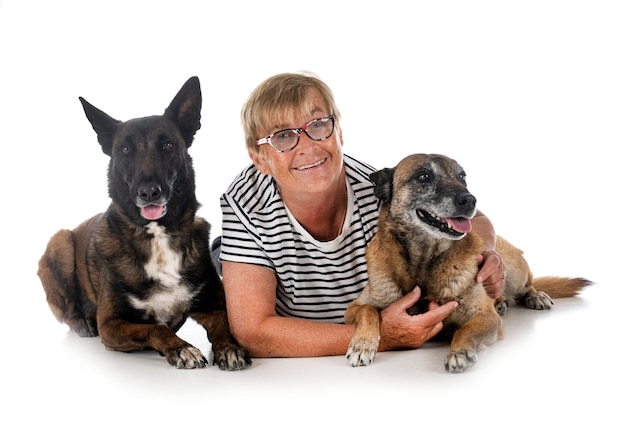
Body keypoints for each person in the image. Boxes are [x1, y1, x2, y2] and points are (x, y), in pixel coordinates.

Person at [215, 72, 505, 358]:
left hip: (361, 308)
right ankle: (226, 256)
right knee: (222, 276)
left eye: (317, 125)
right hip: (297, 325)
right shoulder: (244, 204)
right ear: (259, 158)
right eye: (283, 136)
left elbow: (473, 217)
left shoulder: (378, 188)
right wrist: (382, 338)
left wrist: (487, 257)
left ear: (339, 132)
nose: (308, 146)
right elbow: (252, 333)